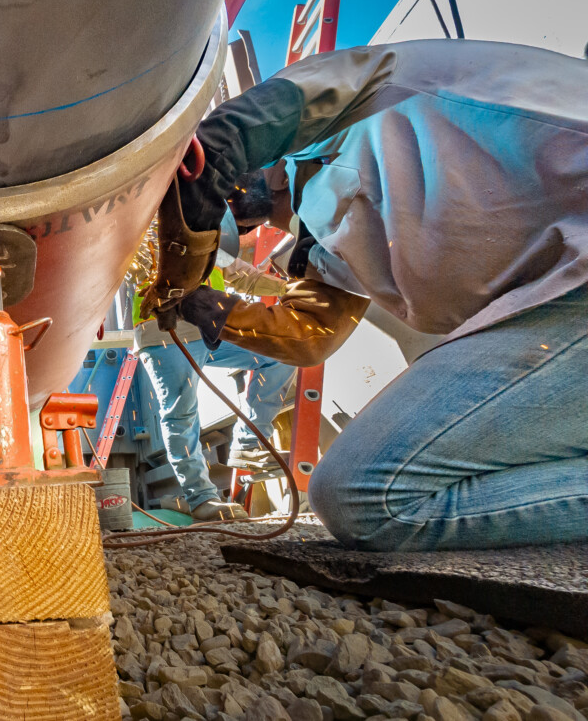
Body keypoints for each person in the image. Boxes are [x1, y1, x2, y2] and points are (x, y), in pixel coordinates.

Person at [148, 39, 588, 552]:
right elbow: (310, 335)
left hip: (571, 280)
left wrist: (181, 272)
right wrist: (217, 309)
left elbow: (220, 142)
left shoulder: (358, 92)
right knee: (352, 497)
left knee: (367, 498)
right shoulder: (327, 233)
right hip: (551, 305)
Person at [134, 239, 295, 521]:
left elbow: (243, 276)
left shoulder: (203, 231)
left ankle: (248, 444)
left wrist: (287, 288)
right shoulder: (146, 234)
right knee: (181, 414)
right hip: (164, 332)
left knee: (281, 354)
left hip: (213, 326)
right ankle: (200, 498)